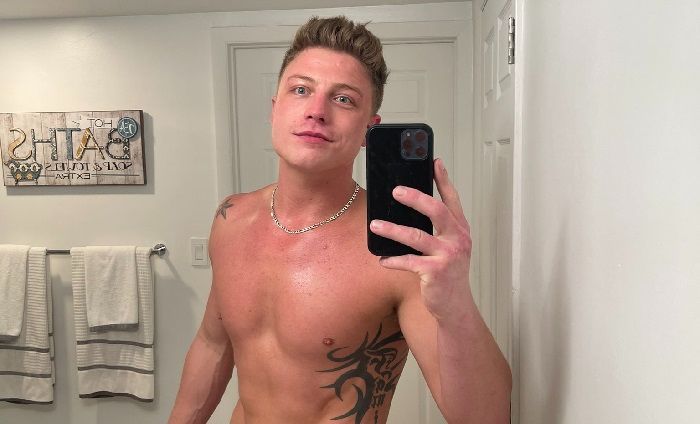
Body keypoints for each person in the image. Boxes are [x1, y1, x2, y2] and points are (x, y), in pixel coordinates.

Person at [169, 16, 511, 424]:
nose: (316, 111)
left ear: (369, 130)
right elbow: (212, 344)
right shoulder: (231, 218)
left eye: (344, 99)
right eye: (301, 90)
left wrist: (456, 304)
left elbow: (487, 416)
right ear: (275, 110)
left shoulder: (397, 249)